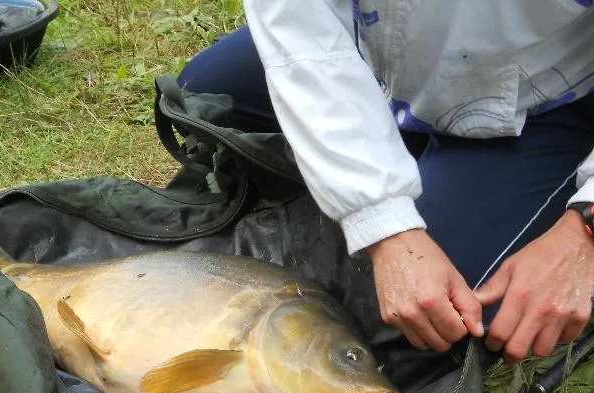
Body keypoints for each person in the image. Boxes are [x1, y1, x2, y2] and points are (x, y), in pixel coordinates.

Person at [176, 1, 594, 365]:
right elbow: (299, 31)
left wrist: (584, 231)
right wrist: (385, 227)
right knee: (206, 96)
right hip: (384, 50)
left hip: (551, 97)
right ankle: (410, 145)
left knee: (445, 310)